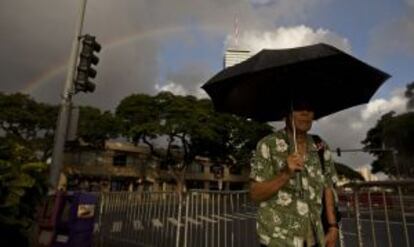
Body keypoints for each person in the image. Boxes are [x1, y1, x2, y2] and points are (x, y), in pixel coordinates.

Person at [249, 100, 339, 247]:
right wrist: (285, 173)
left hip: (314, 238)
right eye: (298, 108)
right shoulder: (267, 144)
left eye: (309, 108)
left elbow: (327, 186)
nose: (305, 113)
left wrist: (333, 226)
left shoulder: (321, 146)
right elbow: (255, 194)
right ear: (286, 114)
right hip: (277, 240)